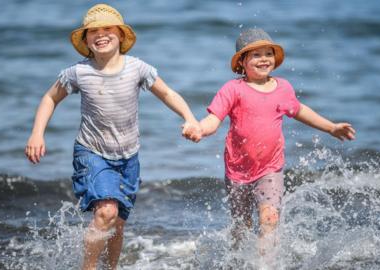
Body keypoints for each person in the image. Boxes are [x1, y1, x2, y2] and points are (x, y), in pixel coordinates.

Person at [24, 4, 201, 270]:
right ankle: (89, 267)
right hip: (91, 151)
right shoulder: (79, 72)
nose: (101, 35)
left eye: (108, 29)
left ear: (121, 34)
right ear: (85, 40)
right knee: (107, 212)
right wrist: (37, 133)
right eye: (93, 31)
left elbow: (167, 93)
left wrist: (189, 118)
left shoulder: (137, 68)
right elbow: (50, 97)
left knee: (117, 224)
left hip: (129, 156)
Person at [193, 28, 355, 254]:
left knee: (269, 219)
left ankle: (264, 264)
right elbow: (214, 118)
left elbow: (299, 110)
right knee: (242, 227)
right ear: (242, 61)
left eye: (268, 54)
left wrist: (331, 127)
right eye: (256, 55)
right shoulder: (233, 89)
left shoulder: (283, 88)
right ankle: (237, 262)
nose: (264, 60)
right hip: (237, 171)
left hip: (270, 168)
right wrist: (200, 129)